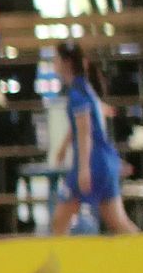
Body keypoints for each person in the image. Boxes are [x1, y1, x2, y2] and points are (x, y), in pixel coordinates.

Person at [51, 42, 136, 235]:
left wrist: (84, 169)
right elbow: (82, 124)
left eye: (56, 59)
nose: (53, 63)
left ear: (66, 62)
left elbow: (85, 131)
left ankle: (59, 256)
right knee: (118, 221)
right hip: (104, 161)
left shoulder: (77, 94)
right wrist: (64, 147)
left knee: (59, 221)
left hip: (93, 162)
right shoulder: (85, 88)